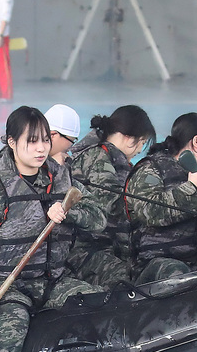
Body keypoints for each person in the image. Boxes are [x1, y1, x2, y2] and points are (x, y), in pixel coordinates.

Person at [0, 106, 104, 352]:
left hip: (53, 281)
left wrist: (69, 211)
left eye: (45, 140)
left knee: (100, 308)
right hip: (8, 286)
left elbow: (99, 220)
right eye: (32, 141)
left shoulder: (63, 178)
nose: (41, 148)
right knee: (7, 345)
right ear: (12, 142)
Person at [65, 105, 156, 288]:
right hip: (85, 252)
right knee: (120, 276)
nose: (140, 150)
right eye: (142, 142)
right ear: (129, 138)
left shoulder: (114, 159)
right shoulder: (98, 157)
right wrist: (152, 207)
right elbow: (111, 204)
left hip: (112, 250)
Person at [127, 111, 197, 284]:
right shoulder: (151, 169)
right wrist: (192, 188)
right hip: (157, 267)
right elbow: (149, 212)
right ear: (196, 142)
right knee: (176, 273)